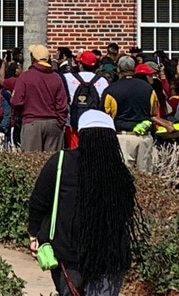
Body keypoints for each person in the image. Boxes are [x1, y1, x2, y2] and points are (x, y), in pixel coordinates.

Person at [29, 111, 144, 296]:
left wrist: (34, 235)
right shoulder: (119, 170)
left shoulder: (60, 161)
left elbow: (38, 202)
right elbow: (126, 211)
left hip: (66, 256)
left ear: (80, 135)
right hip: (110, 258)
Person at [101, 56, 174, 173]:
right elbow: (153, 113)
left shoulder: (111, 90)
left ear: (118, 69)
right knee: (145, 178)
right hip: (144, 137)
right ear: (134, 69)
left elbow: (106, 116)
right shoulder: (148, 89)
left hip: (122, 137)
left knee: (123, 176)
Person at [10, 44, 69, 152]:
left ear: (33, 58)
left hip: (31, 124)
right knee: (51, 163)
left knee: (31, 164)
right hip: (53, 123)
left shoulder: (25, 76)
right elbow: (62, 104)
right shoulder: (56, 78)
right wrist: (60, 122)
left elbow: (16, 101)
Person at [62, 51, 108, 148]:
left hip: (73, 123)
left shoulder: (67, 78)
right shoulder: (102, 81)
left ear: (80, 65)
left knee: (74, 153)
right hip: (94, 124)